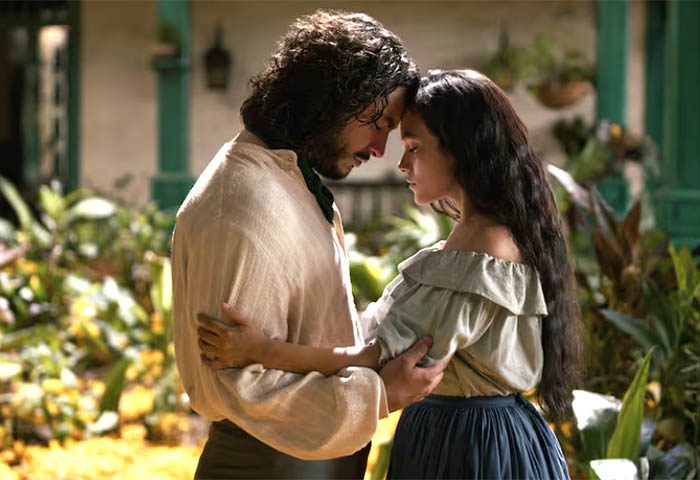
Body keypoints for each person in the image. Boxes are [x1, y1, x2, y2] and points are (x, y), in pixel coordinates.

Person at [197, 70, 584, 479]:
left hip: (472, 444)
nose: (401, 164)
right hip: (452, 430)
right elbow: (381, 332)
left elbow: (375, 357)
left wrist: (260, 350)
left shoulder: (483, 247)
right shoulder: (471, 239)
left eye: (414, 147)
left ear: (461, 149)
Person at [171, 10, 451, 480]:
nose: (380, 150)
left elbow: (311, 332)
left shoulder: (282, 179)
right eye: (380, 123)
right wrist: (382, 393)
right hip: (268, 465)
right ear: (336, 99)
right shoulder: (243, 205)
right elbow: (243, 383)